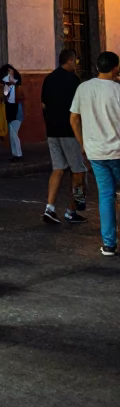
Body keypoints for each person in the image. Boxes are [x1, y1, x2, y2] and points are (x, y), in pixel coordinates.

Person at [70, 51, 120, 257]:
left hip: (95, 152)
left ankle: (109, 244)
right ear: (116, 67)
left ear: (98, 67)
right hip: (117, 151)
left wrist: (83, 144)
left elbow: (73, 119)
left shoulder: (83, 88)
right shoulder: (118, 90)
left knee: (106, 196)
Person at [41, 48, 87, 225]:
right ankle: (73, 209)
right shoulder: (74, 80)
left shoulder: (48, 79)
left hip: (52, 131)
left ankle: (50, 209)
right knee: (78, 172)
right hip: (69, 132)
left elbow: (43, 105)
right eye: (74, 61)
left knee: (58, 169)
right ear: (69, 61)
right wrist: (82, 138)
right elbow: (78, 110)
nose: (75, 64)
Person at [0, 64, 25, 159]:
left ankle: (17, 154)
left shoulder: (13, 86)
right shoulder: (11, 86)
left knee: (13, 134)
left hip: (15, 111)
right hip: (13, 111)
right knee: (13, 134)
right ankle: (16, 154)